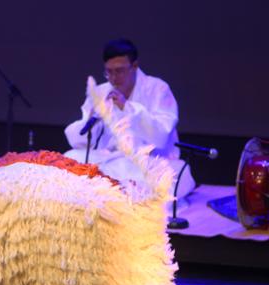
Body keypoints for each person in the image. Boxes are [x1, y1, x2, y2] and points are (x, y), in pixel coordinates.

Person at [64, 39, 195, 201]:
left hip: (150, 160)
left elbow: (162, 133)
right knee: (71, 158)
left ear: (134, 67)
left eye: (119, 71)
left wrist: (127, 108)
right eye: (109, 72)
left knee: (148, 179)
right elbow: (82, 140)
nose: (113, 78)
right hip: (111, 158)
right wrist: (92, 116)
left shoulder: (158, 89)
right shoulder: (101, 91)